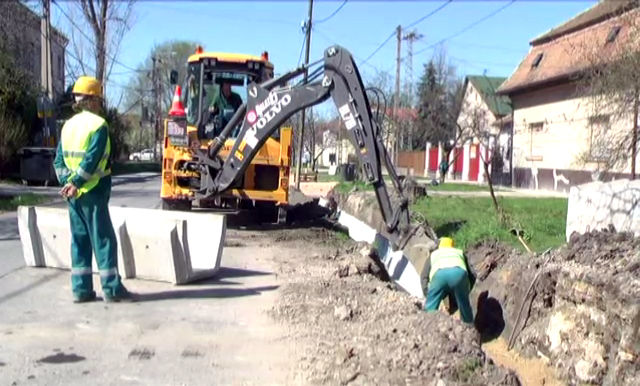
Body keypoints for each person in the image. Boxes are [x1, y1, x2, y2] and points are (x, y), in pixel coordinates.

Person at [53, 75, 133, 303]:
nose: (100, 104)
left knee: (79, 240)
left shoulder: (68, 126)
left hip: (73, 196)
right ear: (91, 100)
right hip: (93, 191)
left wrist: (67, 183)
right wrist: (76, 182)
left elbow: (58, 160)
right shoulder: (99, 125)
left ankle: (81, 290)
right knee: (104, 240)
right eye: (98, 99)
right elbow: (92, 159)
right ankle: (112, 289)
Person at [423, 237, 476, 324]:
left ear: (439, 247)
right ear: (452, 247)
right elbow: (473, 274)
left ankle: (428, 325)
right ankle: (469, 328)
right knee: (464, 305)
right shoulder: (459, 252)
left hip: (439, 276)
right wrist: (466, 290)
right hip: (459, 274)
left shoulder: (434, 254)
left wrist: (427, 294)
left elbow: (423, 277)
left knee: (431, 306)